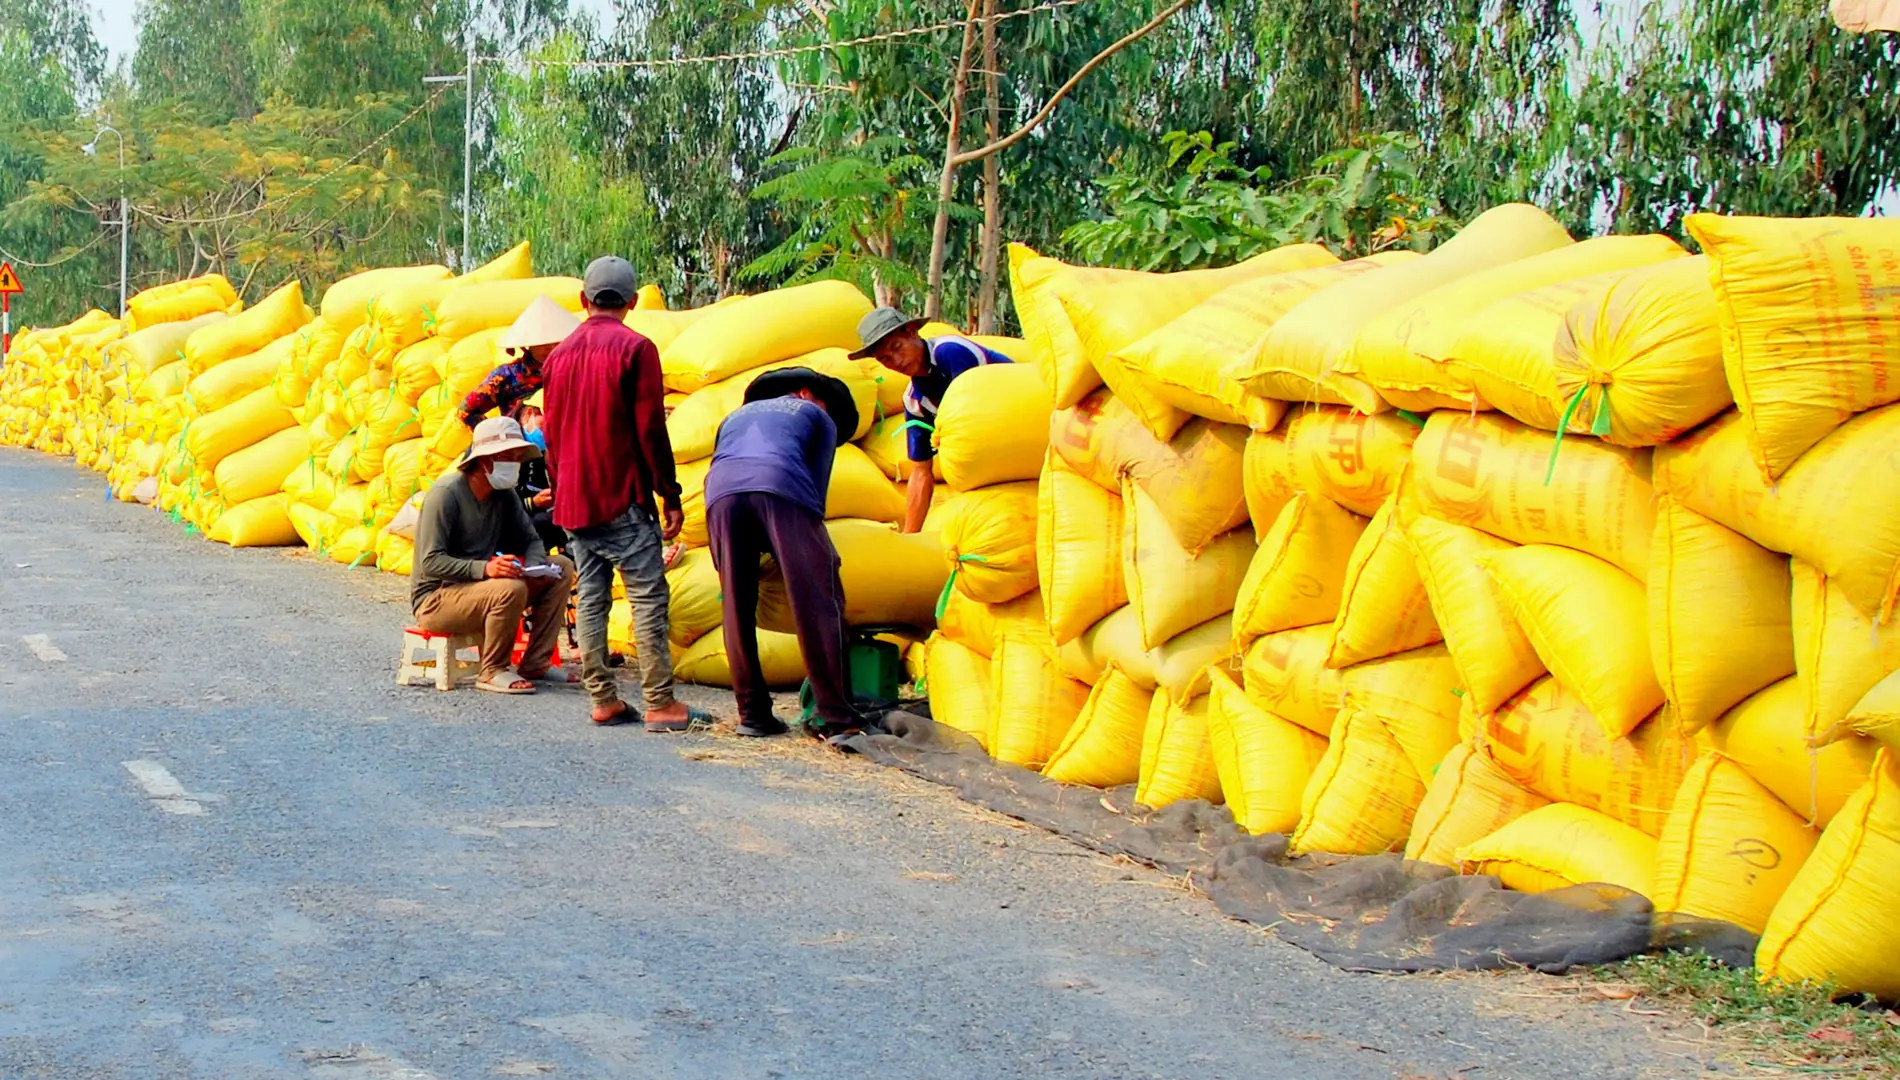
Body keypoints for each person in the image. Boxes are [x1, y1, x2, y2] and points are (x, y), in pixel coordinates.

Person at [542, 255, 712, 732]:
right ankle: (660, 702)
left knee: (593, 597)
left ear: (583, 300)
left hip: (575, 501)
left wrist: (560, 491)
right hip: (622, 496)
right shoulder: (637, 349)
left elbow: (551, 437)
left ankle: (603, 698)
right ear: (633, 302)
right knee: (646, 597)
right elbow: (650, 429)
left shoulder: (556, 357)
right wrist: (670, 493)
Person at [703, 367, 864, 742]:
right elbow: (813, 492)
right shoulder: (816, 416)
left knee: (736, 605)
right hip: (780, 485)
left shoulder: (735, 416)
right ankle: (838, 719)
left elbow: (727, 465)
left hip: (719, 495)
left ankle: (753, 715)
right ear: (807, 393)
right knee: (818, 600)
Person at [410, 416, 578, 694]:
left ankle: (536, 662)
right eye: (506, 457)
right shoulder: (446, 494)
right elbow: (431, 562)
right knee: (508, 588)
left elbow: (530, 540)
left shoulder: (504, 495)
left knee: (560, 567)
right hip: (436, 599)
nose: (514, 464)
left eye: (516, 457)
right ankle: (493, 670)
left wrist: (533, 568)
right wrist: (486, 569)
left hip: (482, 589)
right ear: (483, 460)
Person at [850, 307, 1014, 534]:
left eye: (897, 347)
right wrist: (909, 536)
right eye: (885, 359)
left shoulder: (950, 352)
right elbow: (921, 471)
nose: (896, 361)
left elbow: (980, 411)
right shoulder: (914, 401)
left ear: (912, 332)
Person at [456, 295, 582, 429]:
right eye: (542, 342)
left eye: (556, 341)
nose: (550, 347)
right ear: (528, 344)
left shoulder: (578, 369)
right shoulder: (506, 376)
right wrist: (499, 435)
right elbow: (466, 411)